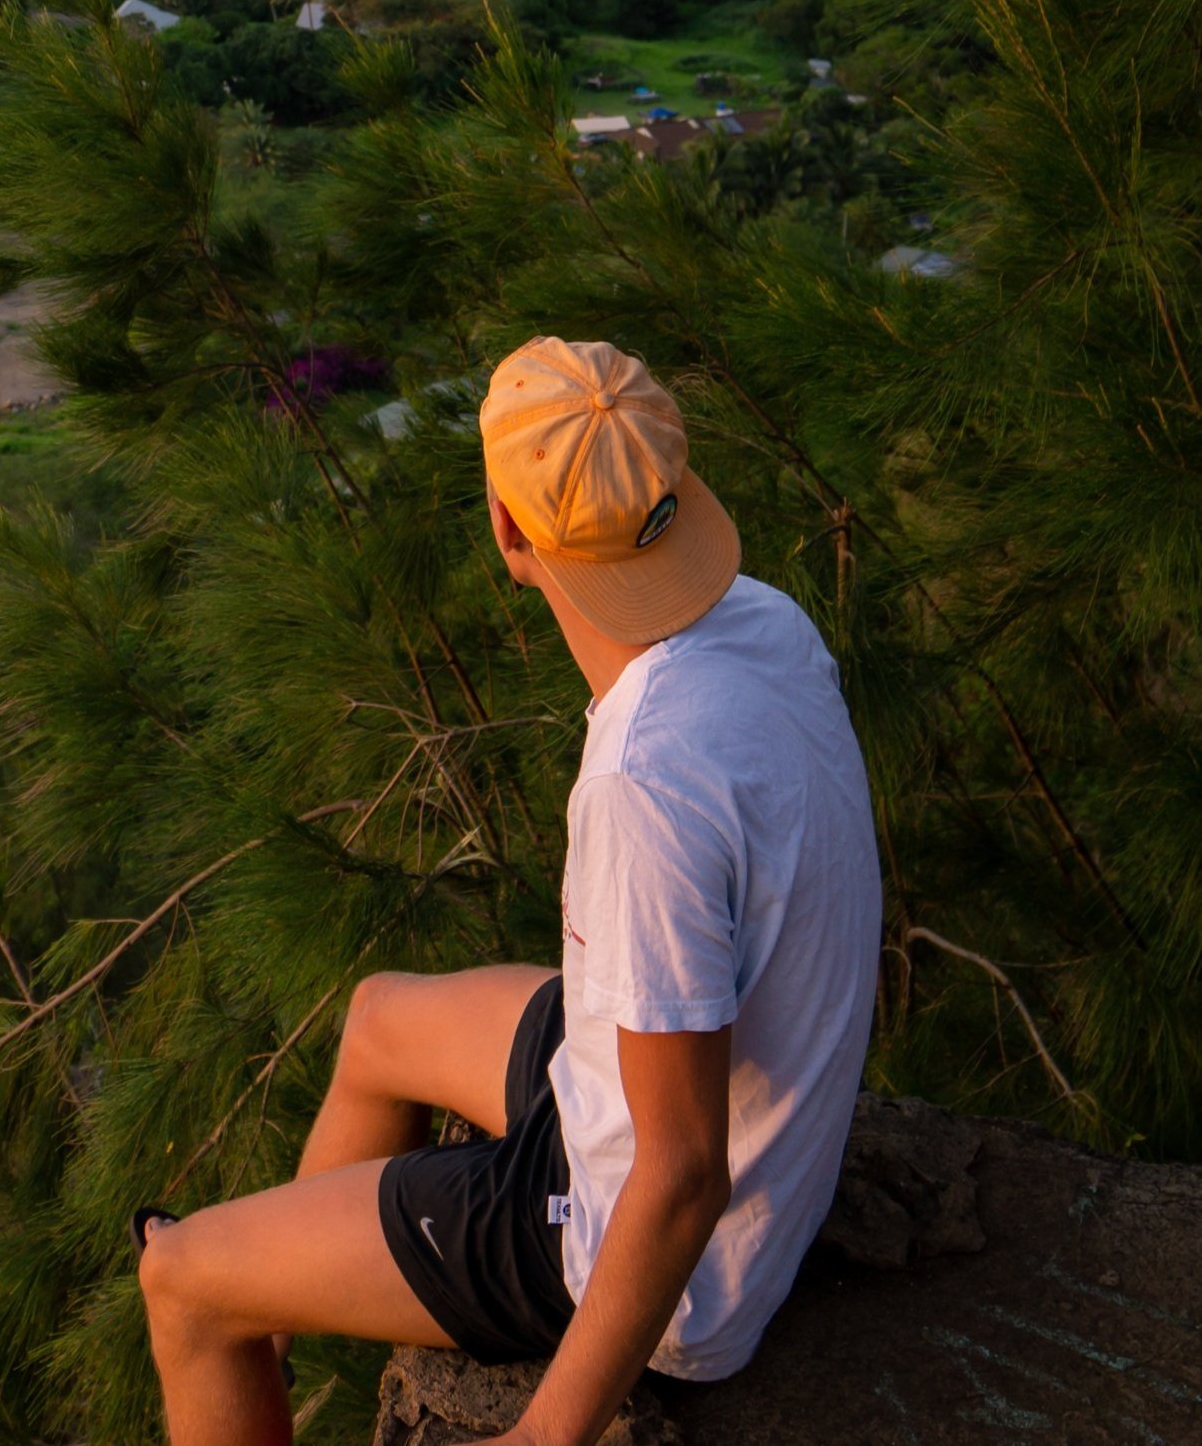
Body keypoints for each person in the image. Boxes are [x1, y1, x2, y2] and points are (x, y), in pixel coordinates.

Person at [136, 337, 880, 1446]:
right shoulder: (765, 622)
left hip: (650, 1256)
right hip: (678, 1125)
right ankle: (273, 1317)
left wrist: (544, 1434)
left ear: (508, 531)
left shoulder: (646, 778)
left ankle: (224, 1313)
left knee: (179, 1281)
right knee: (380, 1017)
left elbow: (677, 1175)